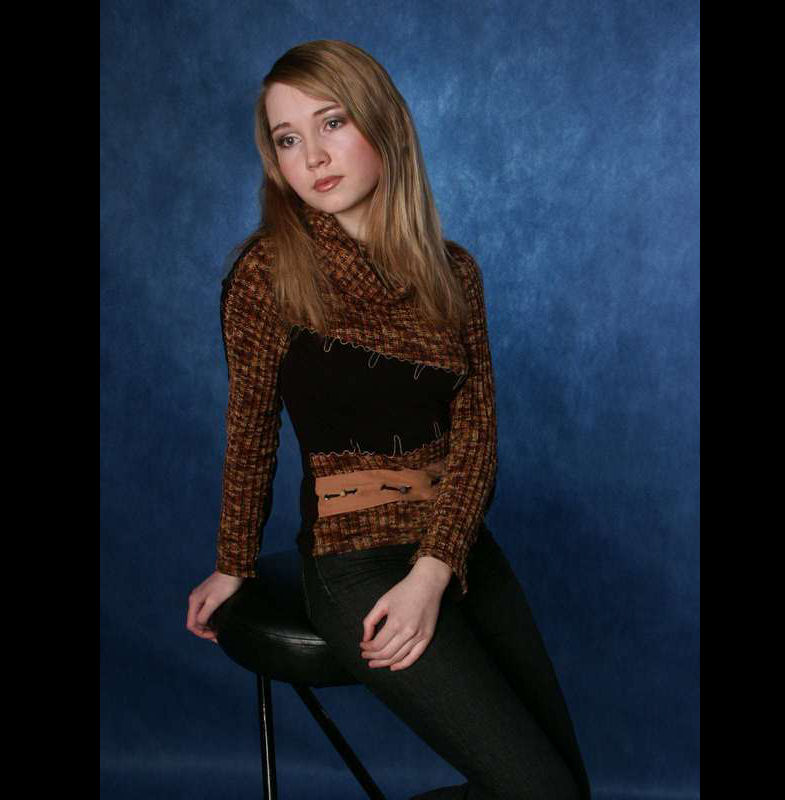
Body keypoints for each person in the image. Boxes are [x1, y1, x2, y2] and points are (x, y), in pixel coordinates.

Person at [187, 39, 592, 800]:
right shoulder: (267, 274)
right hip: (353, 560)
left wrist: (435, 569)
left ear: (383, 122)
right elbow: (250, 432)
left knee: (563, 788)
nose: (313, 156)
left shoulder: (453, 272)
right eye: (287, 139)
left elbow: (477, 440)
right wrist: (233, 561)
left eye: (332, 122)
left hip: (458, 546)